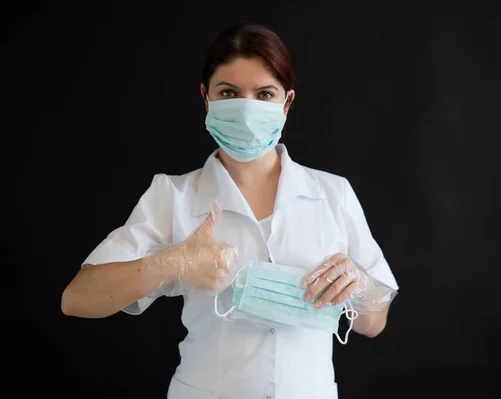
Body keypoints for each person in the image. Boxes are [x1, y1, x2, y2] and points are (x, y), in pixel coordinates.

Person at [62, 22, 399, 399]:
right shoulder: (174, 195)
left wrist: (360, 286)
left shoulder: (333, 194)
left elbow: (373, 323)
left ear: (287, 102)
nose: (247, 109)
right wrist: (175, 262)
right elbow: (77, 299)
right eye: (229, 93)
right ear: (206, 98)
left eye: (264, 94)